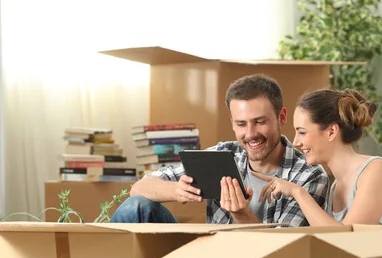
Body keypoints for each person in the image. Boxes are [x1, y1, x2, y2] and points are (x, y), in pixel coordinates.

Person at [110, 74, 330, 226]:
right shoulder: (224, 154)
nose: (251, 134)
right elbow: (139, 187)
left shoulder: (309, 175)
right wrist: (178, 190)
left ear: (281, 117)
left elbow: (283, 253)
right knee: (136, 207)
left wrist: (241, 214)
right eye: (241, 124)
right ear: (233, 124)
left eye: (259, 122)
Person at [253, 88, 382, 226]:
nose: (295, 142)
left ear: (331, 131)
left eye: (302, 132)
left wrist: (298, 192)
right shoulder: (335, 187)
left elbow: (347, 238)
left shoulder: (377, 171)